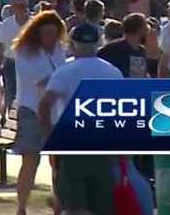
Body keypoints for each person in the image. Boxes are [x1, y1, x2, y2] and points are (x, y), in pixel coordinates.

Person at [37, 23, 121, 215]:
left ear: (72, 44)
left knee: (75, 204)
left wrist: (49, 134)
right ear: (98, 43)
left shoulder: (66, 70)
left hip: (72, 142)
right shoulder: (112, 72)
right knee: (102, 203)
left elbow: (45, 104)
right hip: (103, 142)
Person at [11, 9, 67, 215]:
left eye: (54, 34)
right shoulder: (25, 52)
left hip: (57, 113)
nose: (50, 39)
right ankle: (22, 207)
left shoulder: (60, 50)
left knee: (58, 163)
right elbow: (43, 82)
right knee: (30, 161)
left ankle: (59, 206)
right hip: (31, 111)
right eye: (46, 34)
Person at [0, 0, 30, 115]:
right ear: (13, 8)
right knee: (10, 91)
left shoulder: (34, 24)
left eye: (25, 5)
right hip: (11, 62)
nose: (23, 8)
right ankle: (12, 117)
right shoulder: (7, 24)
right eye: (19, 6)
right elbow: (1, 48)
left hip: (29, 63)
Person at [98, 12, 156, 78]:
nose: (147, 31)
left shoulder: (141, 51)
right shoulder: (109, 50)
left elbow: (139, 77)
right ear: (140, 30)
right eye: (146, 28)